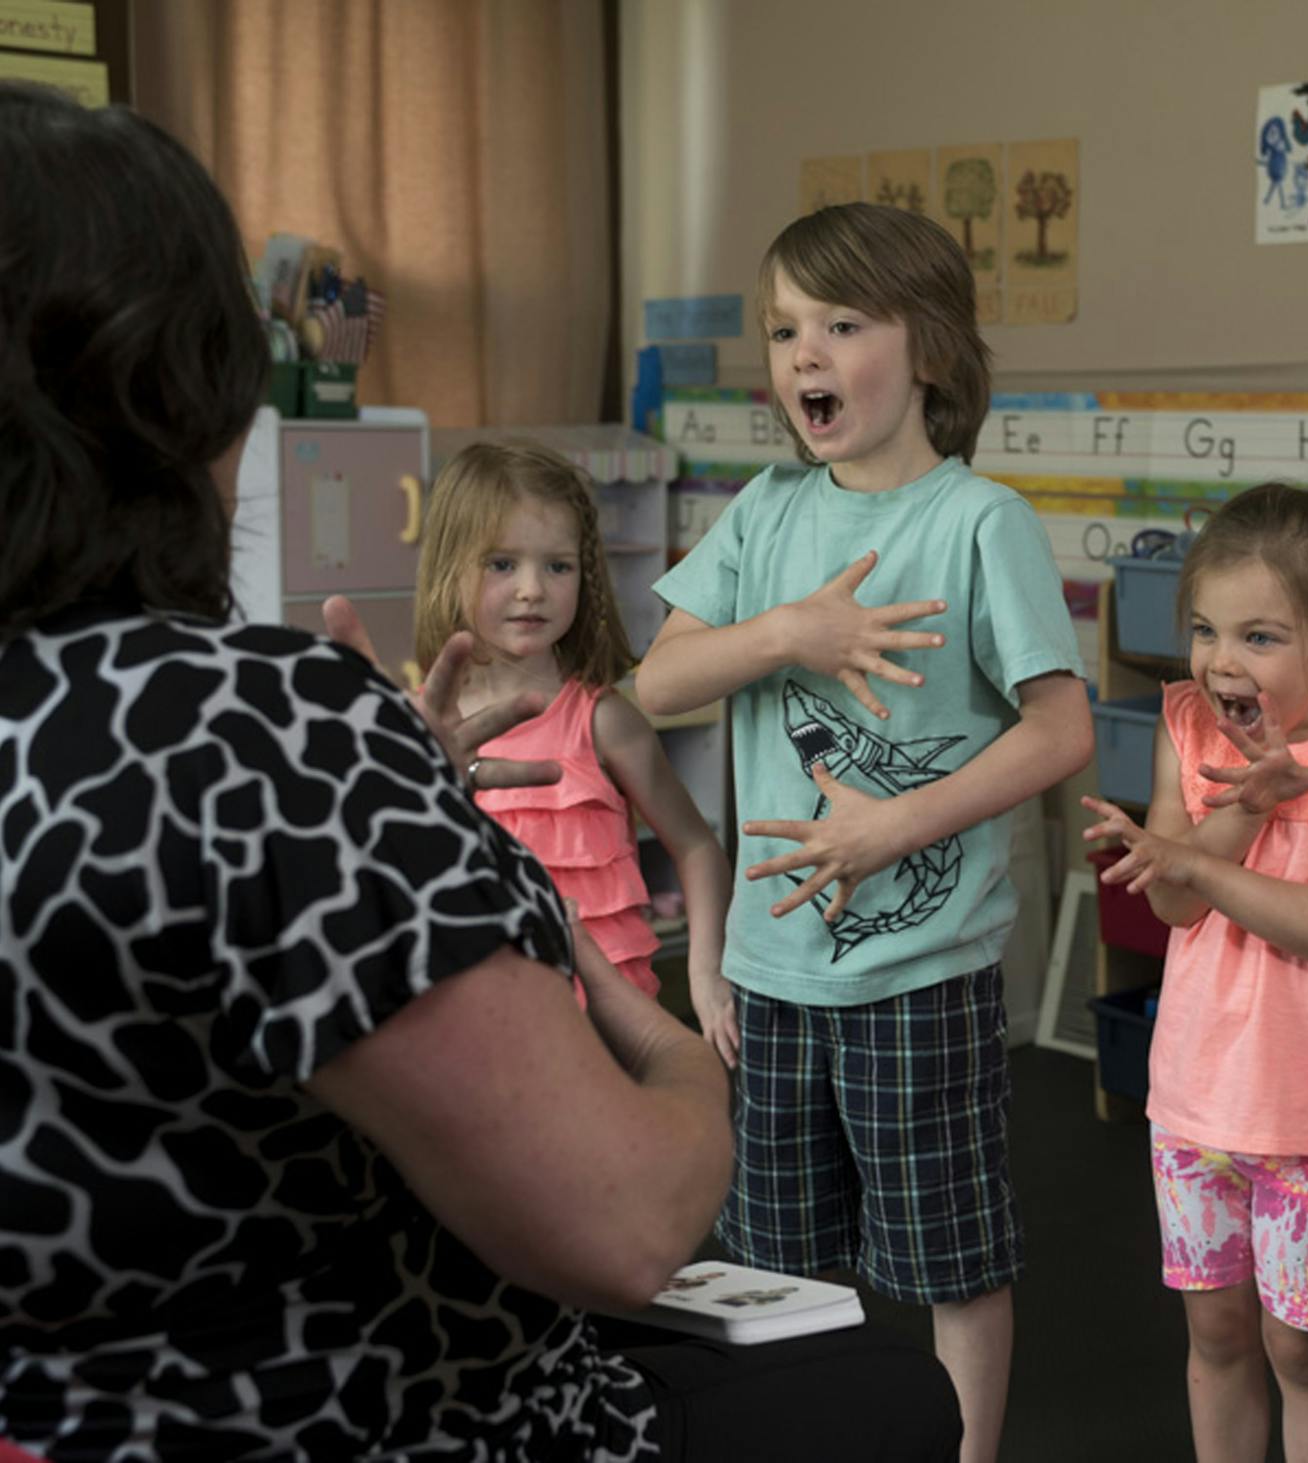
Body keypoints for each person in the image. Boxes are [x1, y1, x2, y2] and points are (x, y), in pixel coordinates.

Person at [0, 83, 959, 1461]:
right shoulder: (257, 730)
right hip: (338, 1416)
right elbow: (623, 1221)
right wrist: (677, 1053)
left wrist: (397, 807)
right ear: (195, 390)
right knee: (882, 1385)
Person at [634, 202, 1095, 1463]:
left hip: (917, 975)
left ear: (929, 350)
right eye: (786, 329)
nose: (806, 356)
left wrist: (895, 826)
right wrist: (788, 633)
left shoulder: (974, 520)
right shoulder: (767, 511)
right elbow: (655, 684)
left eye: (843, 323)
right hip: (772, 973)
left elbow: (1059, 732)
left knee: (950, 1253)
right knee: (775, 1259)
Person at [1080, 483, 1308, 1463]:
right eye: (1205, 628)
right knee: (1214, 1335)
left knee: (1303, 1346)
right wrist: (1244, 808)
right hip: (1194, 1104)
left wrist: (1200, 856)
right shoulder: (1188, 729)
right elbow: (1171, 903)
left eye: (1258, 636)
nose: (1218, 659)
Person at [412, 440, 735, 1054]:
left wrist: (705, 975)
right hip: (476, 1035)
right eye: (501, 563)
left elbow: (696, 846)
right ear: (451, 564)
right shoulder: (424, 727)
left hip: (609, 1039)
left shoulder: (604, 722)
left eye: (558, 566)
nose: (533, 589)